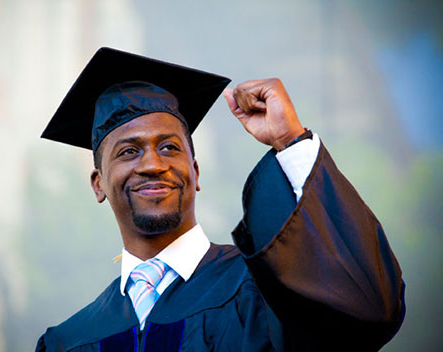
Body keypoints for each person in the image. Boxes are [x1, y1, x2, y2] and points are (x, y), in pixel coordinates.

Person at [36, 47, 405, 351]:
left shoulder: (269, 292)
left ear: (194, 172)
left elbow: (369, 312)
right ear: (98, 184)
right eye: (128, 152)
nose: (152, 164)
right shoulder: (68, 340)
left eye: (169, 147)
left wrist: (290, 141)